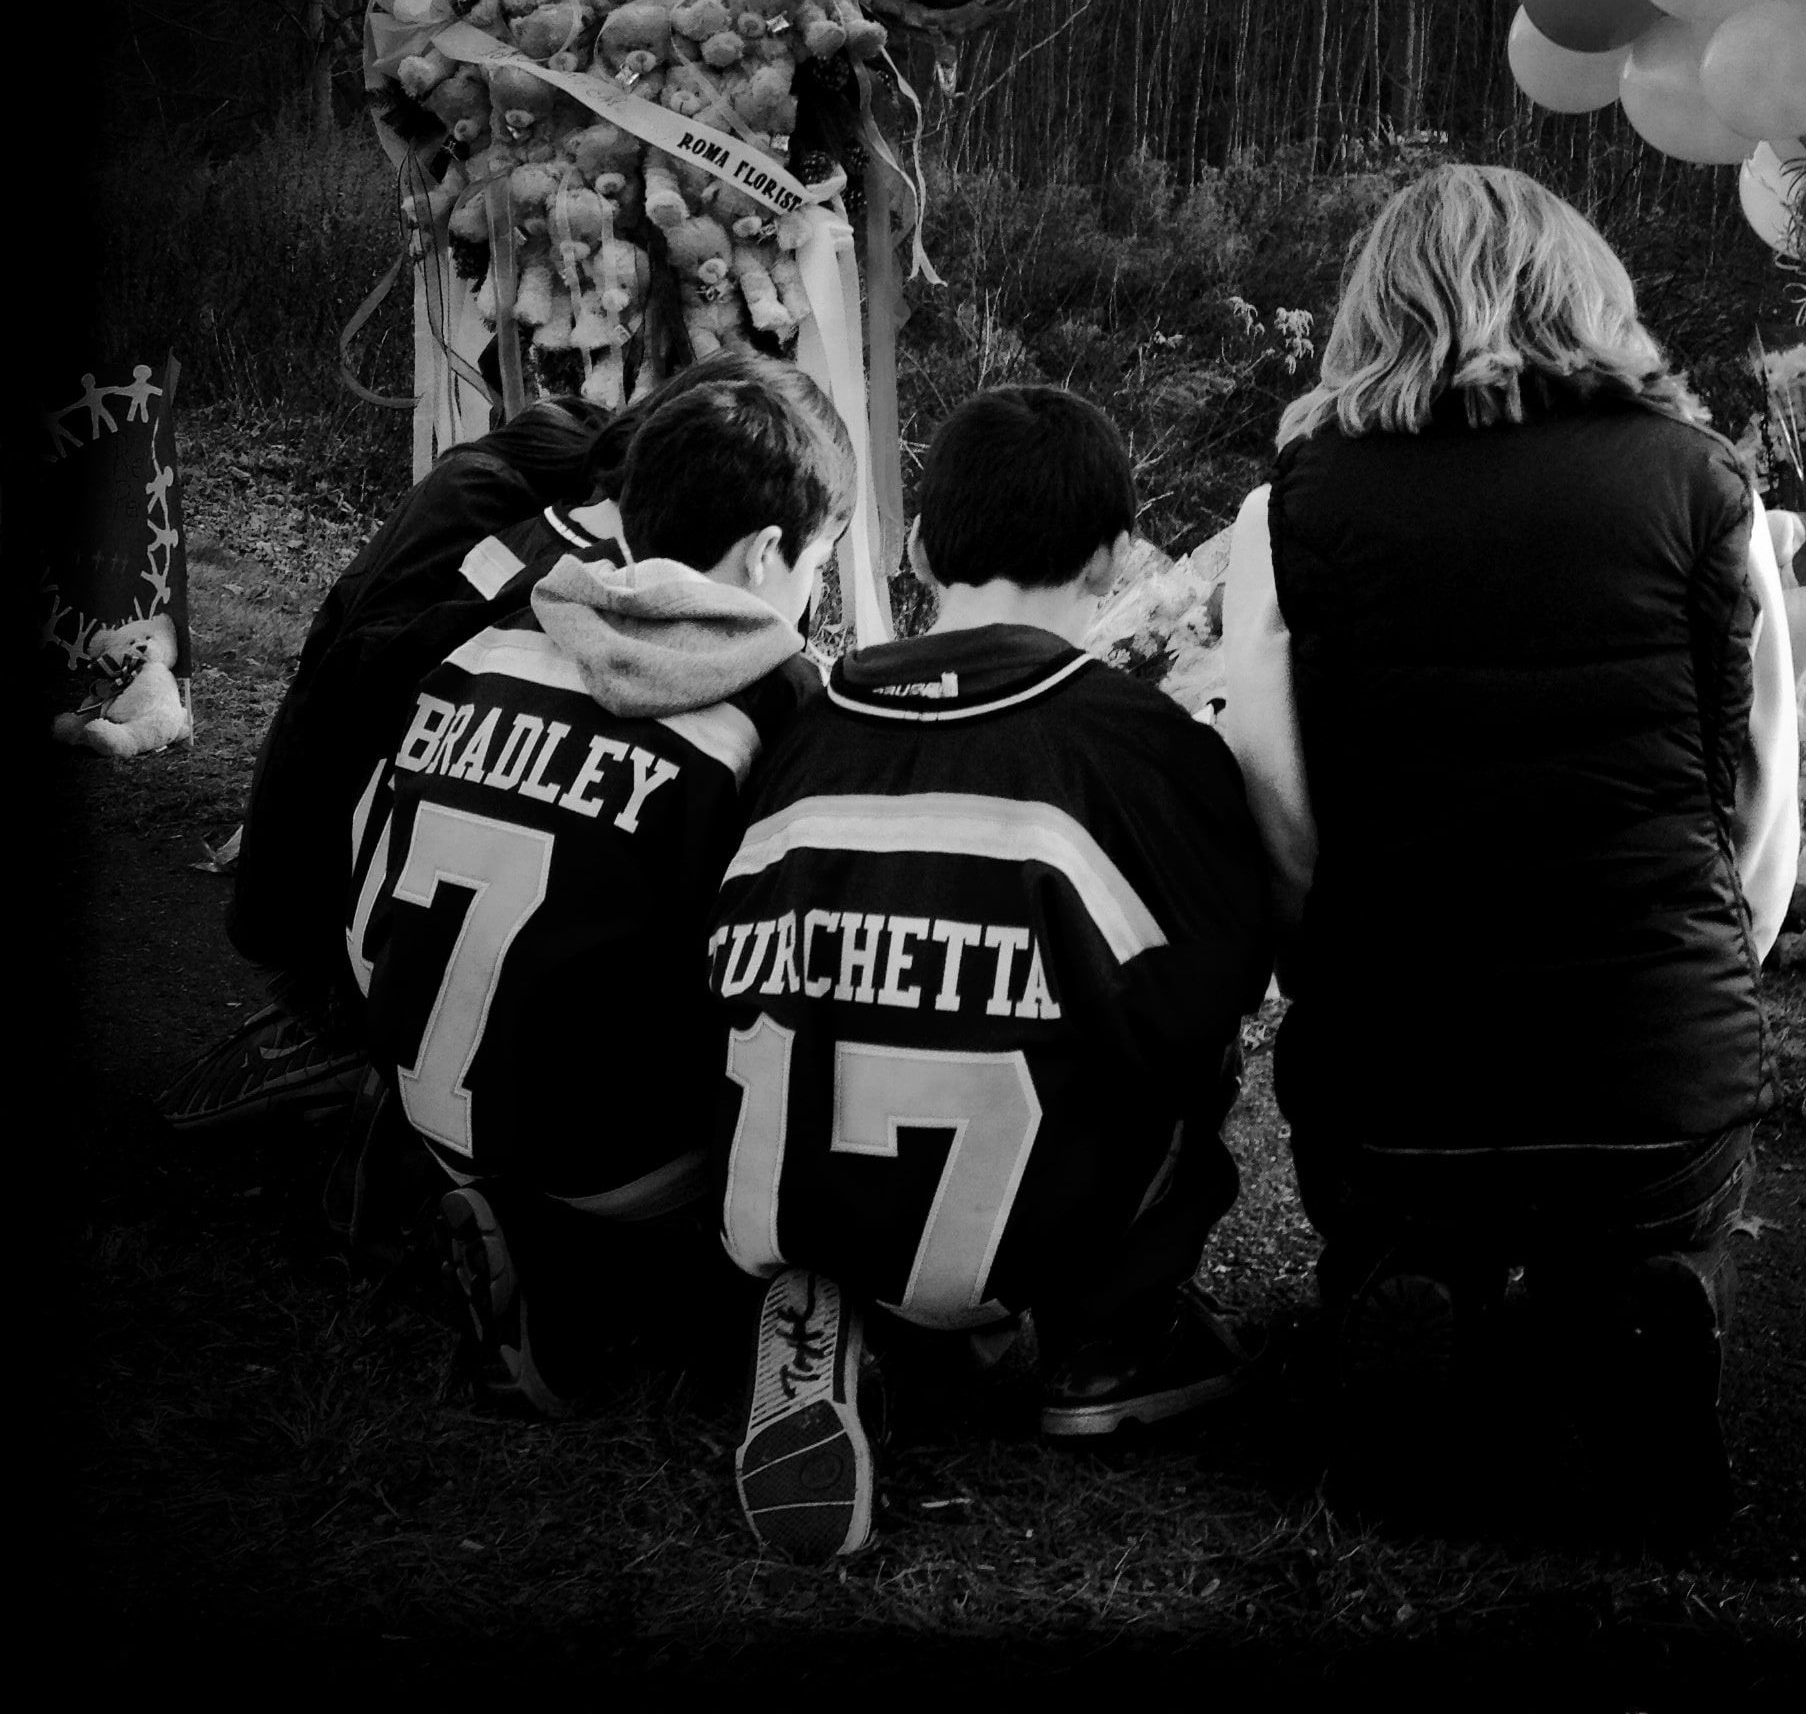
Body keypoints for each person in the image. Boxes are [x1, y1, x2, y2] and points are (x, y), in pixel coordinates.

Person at [1218, 163, 1798, 1540]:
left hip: (1398, 1070)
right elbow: (1760, 783)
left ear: (1377, 306)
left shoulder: (1290, 509)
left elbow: (1272, 790)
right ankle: (1648, 1287)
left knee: (1399, 1197)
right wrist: (1719, 962)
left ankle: (1415, 1284)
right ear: (1590, 295)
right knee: (1654, 1200)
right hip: (1655, 1063)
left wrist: (1321, 963)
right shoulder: (1710, 488)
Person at [713, 385, 1274, 1561]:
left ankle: (855, 1300)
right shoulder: (1135, 739)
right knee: (1181, 1011)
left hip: (791, 1194)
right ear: (1120, 557)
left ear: (917, 545)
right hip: (1015, 1232)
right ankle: (1105, 1340)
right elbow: (1204, 998)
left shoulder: (807, 716)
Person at [351, 357, 852, 1413]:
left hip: (420, 1076)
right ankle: (608, 1284)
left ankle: (445, 1175)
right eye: (820, 564)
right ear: (769, 552)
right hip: (618, 1154)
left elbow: (368, 869)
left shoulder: (493, 638)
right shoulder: (776, 704)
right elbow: (788, 970)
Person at [161, 356, 763, 1134]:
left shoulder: (485, 513)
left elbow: (355, 680)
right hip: (344, 920)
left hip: (305, 883)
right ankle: (361, 1039)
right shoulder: (536, 554)